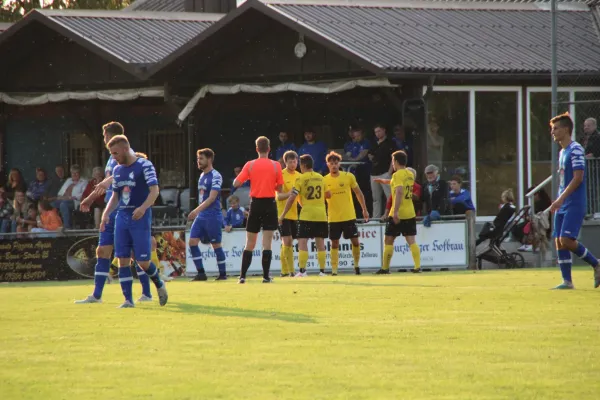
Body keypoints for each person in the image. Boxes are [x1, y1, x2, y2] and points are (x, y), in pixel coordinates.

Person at [76, 122, 163, 306]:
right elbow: (113, 188)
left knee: (137, 256)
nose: (104, 140)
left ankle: (147, 292)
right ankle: (99, 295)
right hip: (115, 209)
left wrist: (91, 197)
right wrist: (98, 204)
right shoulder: (114, 160)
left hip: (133, 210)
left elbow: (111, 183)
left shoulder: (129, 158)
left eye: (105, 136)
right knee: (103, 250)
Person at [100, 135, 167, 308]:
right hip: (122, 217)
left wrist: (143, 208)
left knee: (143, 262)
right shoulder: (117, 169)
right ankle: (128, 300)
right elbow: (115, 196)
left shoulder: (145, 165)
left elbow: (154, 191)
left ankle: (159, 283)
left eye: (115, 153)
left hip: (140, 217)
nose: (113, 157)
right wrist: (106, 214)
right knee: (122, 258)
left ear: (124, 149)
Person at [548, 112, 600, 289]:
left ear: (565, 129)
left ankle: (596, 264)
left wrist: (560, 199)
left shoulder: (576, 149)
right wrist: (559, 198)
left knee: (567, 240)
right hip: (563, 201)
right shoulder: (562, 151)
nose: (553, 132)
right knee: (558, 240)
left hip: (574, 202)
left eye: (555, 129)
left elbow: (578, 178)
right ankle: (567, 281)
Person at [233, 136, 284, 284]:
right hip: (269, 204)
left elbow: (236, 182)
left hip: (255, 204)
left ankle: (242, 276)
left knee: (250, 242)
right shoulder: (276, 166)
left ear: (256, 149)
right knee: (266, 242)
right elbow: (279, 188)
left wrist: (251, 179)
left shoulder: (250, 165)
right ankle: (266, 277)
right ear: (269, 149)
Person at [279, 154, 329, 276]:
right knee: (320, 243)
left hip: (307, 214)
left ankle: (302, 271)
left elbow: (292, 198)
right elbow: (328, 195)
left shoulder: (300, 179)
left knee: (302, 241)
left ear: (304, 165)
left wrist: (283, 214)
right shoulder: (321, 178)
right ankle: (322, 271)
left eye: (299, 164)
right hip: (321, 214)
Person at [324, 151, 369, 275]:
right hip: (333, 217)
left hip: (348, 215)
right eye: (331, 163)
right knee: (334, 243)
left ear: (339, 163)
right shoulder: (324, 180)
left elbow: (358, 193)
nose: (334, 165)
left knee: (355, 241)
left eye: (336, 163)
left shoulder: (348, 176)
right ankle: (334, 270)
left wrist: (364, 209)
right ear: (327, 164)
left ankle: (356, 266)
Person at [188, 148, 228, 281]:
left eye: (201, 159)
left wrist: (196, 210)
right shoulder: (202, 176)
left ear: (209, 159)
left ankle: (222, 274)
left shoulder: (216, 175)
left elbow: (212, 198)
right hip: (202, 215)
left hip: (212, 215)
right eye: (198, 159)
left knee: (216, 245)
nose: (198, 161)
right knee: (192, 242)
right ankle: (201, 273)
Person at [378, 150, 421, 274]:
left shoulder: (397, 175)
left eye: (392, 161)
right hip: (410, 212)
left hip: (397, 213)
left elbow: (399, 191)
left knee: (388, 240)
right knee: (411, 240)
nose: (392, 164)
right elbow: (399, 184)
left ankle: (385, 268)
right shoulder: (409, 174)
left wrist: (395, 212)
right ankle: (417, 267)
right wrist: (384, 181)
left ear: (395, 162)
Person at [275, 150, 301, 277]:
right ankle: (291, 271)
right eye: (290, 162)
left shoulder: (299, 176)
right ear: (285, 162)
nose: (293, 164)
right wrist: (289, 193)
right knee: (288, 241)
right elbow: (278, 196)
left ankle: (284, 271)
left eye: (295, 161)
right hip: (282, 214)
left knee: (287, 242)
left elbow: (300, 196)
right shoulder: (280, 175)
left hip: (294, 214)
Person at [368, 123, 396, 219]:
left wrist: (389, 172)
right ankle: (376, 218)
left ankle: (390, 216)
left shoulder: (390, 143)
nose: (377, 134)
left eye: (379, 131)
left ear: (384, 130)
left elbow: (394, 158)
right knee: (376, 198)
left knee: (389, 196)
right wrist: (371, 157)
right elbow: (369, 154)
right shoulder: (374, 143)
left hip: (385, 173)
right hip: (374, 173)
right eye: (376, 132)